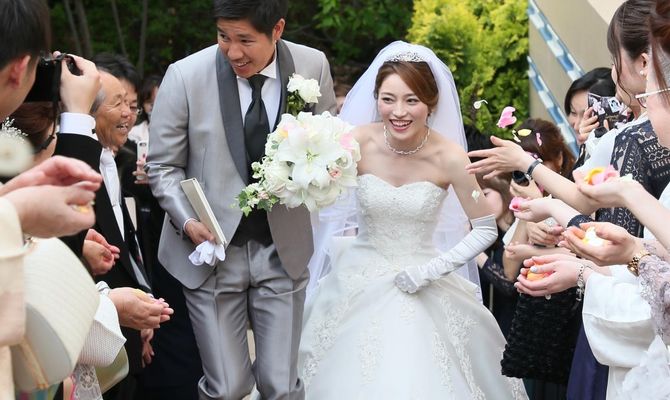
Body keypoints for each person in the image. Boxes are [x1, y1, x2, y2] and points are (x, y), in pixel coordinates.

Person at [296, 41, 527, 399]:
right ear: (376, 98)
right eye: (388, 99)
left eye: (411, 100)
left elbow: (484, 228)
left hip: (425, 276)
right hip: (356, 277)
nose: (399, 112)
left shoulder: (450, 156)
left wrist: (432, 270)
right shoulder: (355, 142)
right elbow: (320, 195)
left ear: (431, 103)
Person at [145, 0, 337, 398]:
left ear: (277, 29)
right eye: (223, 37)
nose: (233, 52)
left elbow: (330, 143)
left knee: (280, 386)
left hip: (282, 249)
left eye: (245, 40)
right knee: (227, 387)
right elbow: (162, 166)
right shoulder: (185, 75)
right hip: (212, 254)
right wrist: (187, 220)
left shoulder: (312, 65)